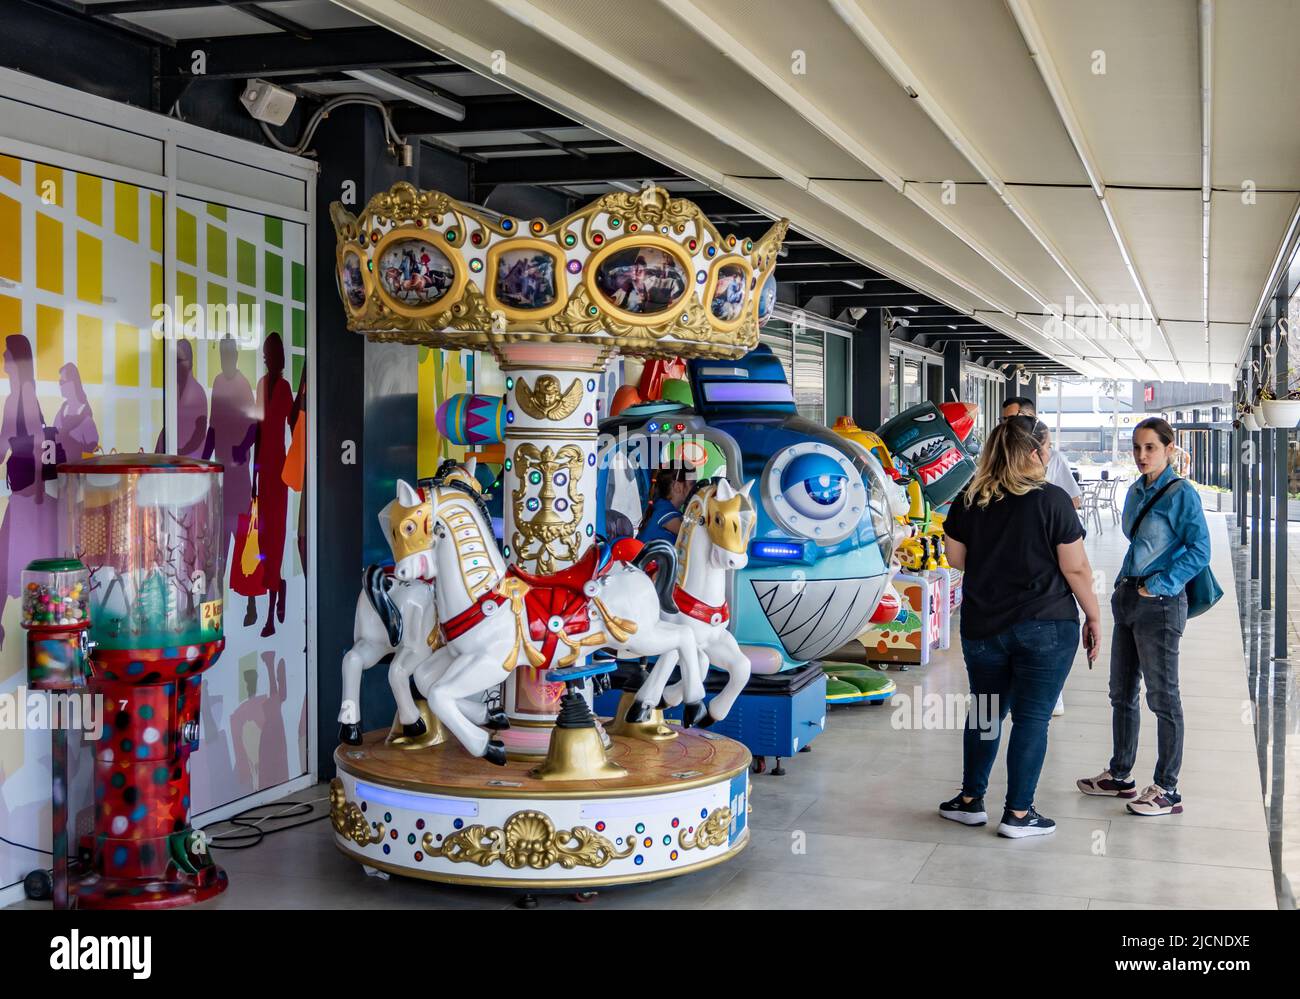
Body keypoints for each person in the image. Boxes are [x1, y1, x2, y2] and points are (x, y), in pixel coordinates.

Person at [938, 415, 1101, 839]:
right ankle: (1018, 814)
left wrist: (997, 558)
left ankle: (971, 802)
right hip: (1046, 625)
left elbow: (956, 559)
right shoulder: (1054, 501)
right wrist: (1095, 616)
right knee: (1032, 719)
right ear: (1032, 453)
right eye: (1046, 449)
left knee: (987, 711)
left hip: (983, 626)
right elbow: (1077, 568)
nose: (1049, 456)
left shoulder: (969, 498)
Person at [1077, 417, 1210, 818]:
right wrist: (1125, 585)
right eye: (1136, 447)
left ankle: (1168, 789)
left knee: (1163, 697)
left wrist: (1161, 585)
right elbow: (1141, 545)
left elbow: (1199, 549)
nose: (1141, 455)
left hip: (1161, 605)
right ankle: (1120, 775)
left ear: (1169, 449)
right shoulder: (1136, 490)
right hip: (1130, 599)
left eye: (1150, 447)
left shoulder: (1181, 493)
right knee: (1121, 692)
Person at [1002, 397, 1080, 717]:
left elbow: (1072, 502)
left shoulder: (1052, 459)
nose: (1009, 426)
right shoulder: (991, 464)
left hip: (1044, 560)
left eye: (1016, 419)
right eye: (1005, 420)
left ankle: (1049, 692)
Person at [637, 467, 691, 546]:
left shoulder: (661, 505)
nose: (695, 488)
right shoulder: (667, 513)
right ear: (677, 487)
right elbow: (692, 536)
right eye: (692, 484)